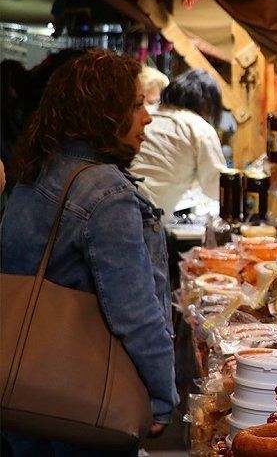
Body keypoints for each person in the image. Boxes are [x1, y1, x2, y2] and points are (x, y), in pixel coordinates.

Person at [1, 50, 176, 456]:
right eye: (135, 105)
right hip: (85, 404)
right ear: (103, 114)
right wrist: (162, 396)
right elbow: (134, 311)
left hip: (24, 390)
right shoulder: (105, 192)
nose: (147, 118)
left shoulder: (35, 172)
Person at [130, 69, 227, 223]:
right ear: (207, 104)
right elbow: (216, 187)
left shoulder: (146, 114)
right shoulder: (199, 128)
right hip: (147, 217)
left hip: (118, 202)